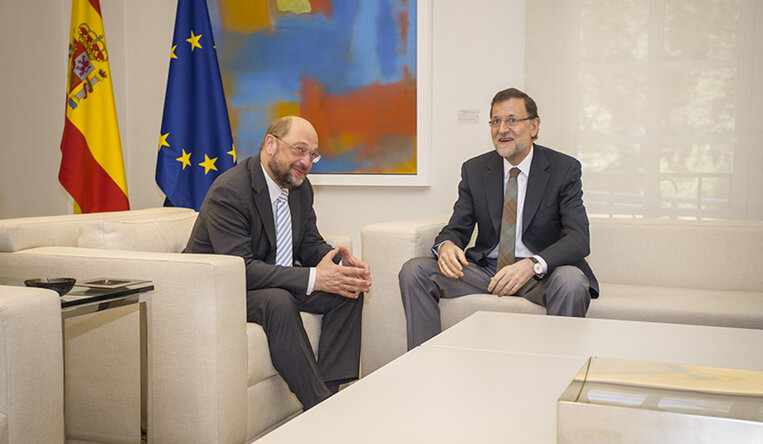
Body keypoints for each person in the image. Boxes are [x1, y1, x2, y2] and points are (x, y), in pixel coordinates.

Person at [184, 116, 371, 409]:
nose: (306, 162)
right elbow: (240, 268)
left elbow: (308, 243)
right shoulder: (231, 191)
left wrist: (337, 264)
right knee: (278, 300)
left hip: (271, 280)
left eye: (312, 155)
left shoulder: (299, 188)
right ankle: (319, 406)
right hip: (221, 288)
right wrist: (313, 278)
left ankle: (332, 390)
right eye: (299, 150)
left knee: (347, 292)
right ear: (270, 144)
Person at [399, 88, 599, 349]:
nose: (502, 129)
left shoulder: (563, 169)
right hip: (486, 271)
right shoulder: (475, 170)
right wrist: (446, 246)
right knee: (415, 271)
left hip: (539, 274)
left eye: (512, 120)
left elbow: (578, 239)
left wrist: (532, 264)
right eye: (495, 121)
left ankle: (557, 377)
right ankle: (424, 366)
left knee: (572, 282)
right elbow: (457, 226)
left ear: (534, 126)